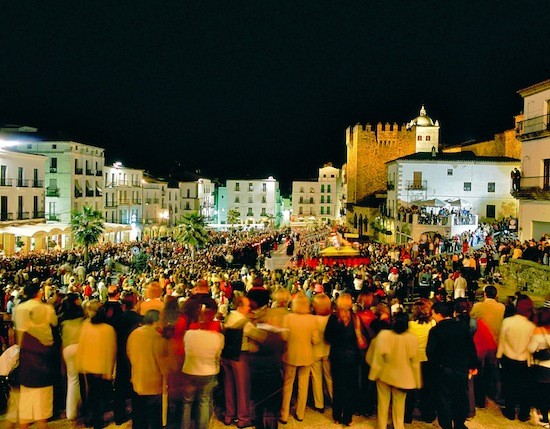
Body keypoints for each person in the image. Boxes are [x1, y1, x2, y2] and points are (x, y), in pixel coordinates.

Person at [13, 282, 58, 429]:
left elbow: (17, 332)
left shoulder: (19, 309)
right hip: (43, 365)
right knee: (42, 415)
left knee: (25, 412)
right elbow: (54, 323)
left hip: (26, 362)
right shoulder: (47, 309)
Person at [427, 301, 478, 429]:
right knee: (460, 397)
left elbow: (431, 353)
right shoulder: (462, 326)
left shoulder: (436, 330)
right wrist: (473, 365)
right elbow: (470, 347)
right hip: (461, 368)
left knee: (444, 399)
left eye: (433, 313)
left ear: (439, 314)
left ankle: (447, 424)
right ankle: (459, 423)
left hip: (443, 368)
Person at [368, 311, 421, 429]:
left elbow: (377, 358)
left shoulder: (383, 335)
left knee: (382, 402)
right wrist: (417, 381)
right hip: (403, 377)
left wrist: (373, 374)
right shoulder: (412, 338)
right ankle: (398, 426)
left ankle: (381, 425)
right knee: (400, 404)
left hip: (384, 375)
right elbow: (415, 363)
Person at [221, 296, 265, 429]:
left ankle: (229, 415)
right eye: (247, 306)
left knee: (228, 387)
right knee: (243, 388)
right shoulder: (245, 323)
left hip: (226, 357)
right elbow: (260, 336)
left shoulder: (229, 317)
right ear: (240, 307)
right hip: (240, 357)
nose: (249, 308)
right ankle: (243, 418)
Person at [181, 305, 224, 429]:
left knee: (187, 403)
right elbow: (218, 356)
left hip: (190, 370)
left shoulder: (189, 334)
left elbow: (185, 350)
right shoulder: (218, 337)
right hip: (209, 372)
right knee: (204, 401)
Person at [76, 301, 117, 429]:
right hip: (101, 366)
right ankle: (97, 421)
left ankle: (90, 418)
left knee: (91, 394)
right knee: (99, 395)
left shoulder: (85, 326)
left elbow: (81, 345)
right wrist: (109, 370)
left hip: (88, 365)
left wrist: (80, 363)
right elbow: (111, 350)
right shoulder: (108, 329)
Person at [279, 292, 319, 424]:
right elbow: (316, 339)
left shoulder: (288, 317)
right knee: (303, 385)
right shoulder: (312, 319)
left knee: (287, 385)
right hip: (307, 355)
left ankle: (284, 414)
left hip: (291, 354)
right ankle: (300, 413)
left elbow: (284, 337)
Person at [126, 309, 169, 429]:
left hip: (137, 378)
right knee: (154, 417)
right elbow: (162, 362)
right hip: (153, 382)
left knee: (139, 414)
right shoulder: (157, 337)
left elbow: (129, 353)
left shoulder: (134, 334)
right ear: (156, 321)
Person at [497, 295, 536, 421]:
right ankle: (524, 413)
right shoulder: (531, 327)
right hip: (524, 359)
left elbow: (501, 341)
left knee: (509, 385)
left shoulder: (507, 322)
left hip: (508, 358)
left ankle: (510, 410)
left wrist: (498, 356)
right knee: (524, 387)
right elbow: (532, 347)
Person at [324, 294, 361, 426]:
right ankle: (347, 417)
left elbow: (327, 337)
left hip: (337, 356)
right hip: (352, 357)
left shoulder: (333, 319)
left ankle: (337, 415)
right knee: (350, 387)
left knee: (338, 386)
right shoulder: (355, 318)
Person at [470, 285, 505, 407]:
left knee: (479, 370)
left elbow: (472, 319)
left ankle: (478, 396)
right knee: (494, 371)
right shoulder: (501, 307)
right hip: (495, 341)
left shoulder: (478, 306)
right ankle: (496, 394)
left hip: (481, 341)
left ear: (484, 294)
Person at [405, 299, 436, 423]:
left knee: (410, 390)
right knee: (427, 389)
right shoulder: (432, 324)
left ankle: (407, 415)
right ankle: (427, 415)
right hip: (427, 359)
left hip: (412, 359)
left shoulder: (410, 325)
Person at [59, 293, 85, 421]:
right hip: (80, 346)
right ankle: (83, 406)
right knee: (84, 379)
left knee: (72, 380)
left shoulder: (63, 318)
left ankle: (71, 412)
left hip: (67, 348)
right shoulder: (81, 316)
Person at [311, 293, 333, 413]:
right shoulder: (331, 318)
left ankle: (319, 404)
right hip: (328, 350)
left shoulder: (313, 319)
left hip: (315, 351)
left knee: (316, 378)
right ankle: (333, 398)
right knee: (329, 377)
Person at [528, 307, 550, 427]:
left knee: (542, 393)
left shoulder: (539, 331)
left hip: (543, 368)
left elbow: (530, 348)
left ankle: (542, 417)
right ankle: (546, 418)